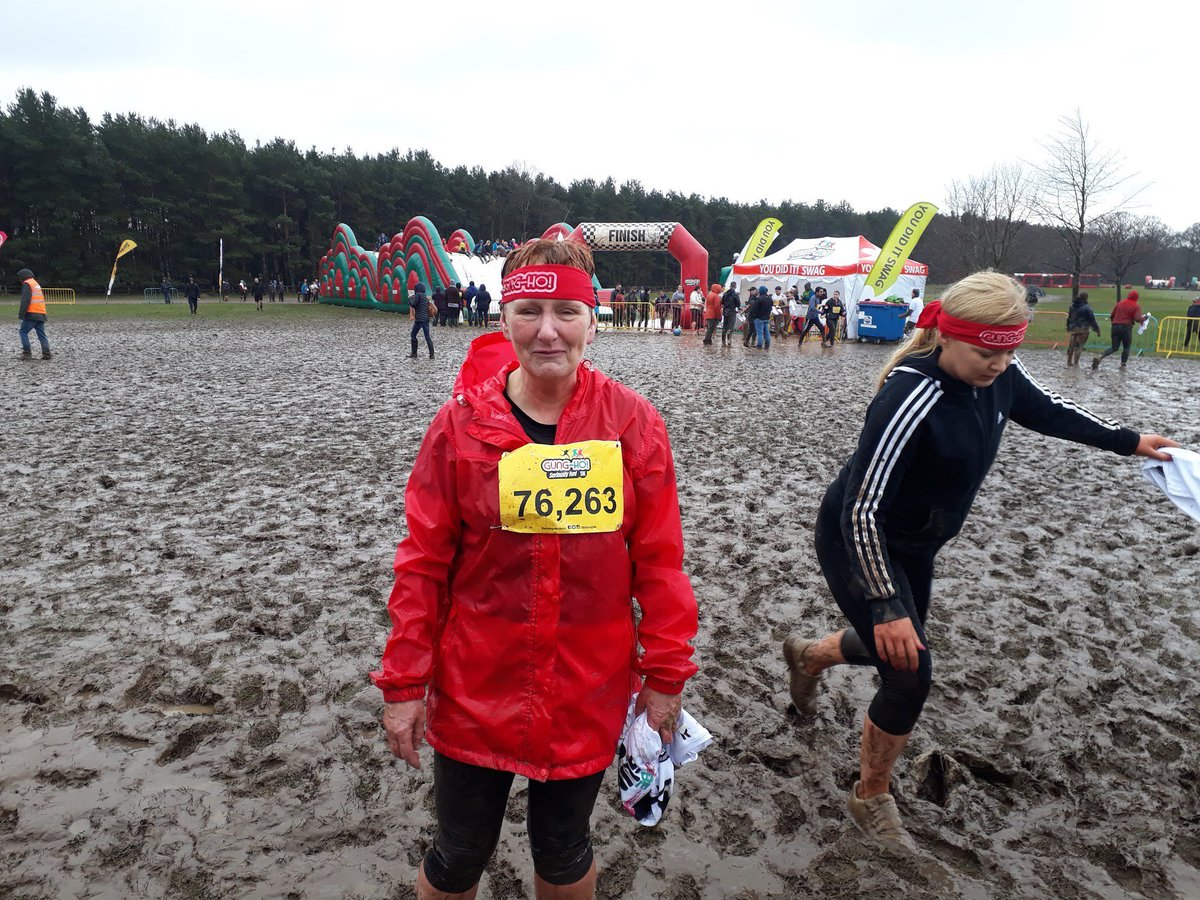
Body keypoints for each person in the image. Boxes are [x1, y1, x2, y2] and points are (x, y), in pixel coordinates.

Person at [779, 271, 1177, 851]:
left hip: (916, 544)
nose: (999, 364)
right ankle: (870, 796)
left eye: (1009, 350)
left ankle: (809, 655)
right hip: (861, 543)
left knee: (899, 642)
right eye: (986, 352)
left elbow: (1050, 410)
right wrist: (885, 600)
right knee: (910, 671)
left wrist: (1130, 438)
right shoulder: (911, 396)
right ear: (947, 337)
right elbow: (862, 509)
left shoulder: (1001, 372)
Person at [374, 238, 698, 898]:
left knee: (563, 847)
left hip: (588, 685)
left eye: (565, 312)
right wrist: (405, 683)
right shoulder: (459, 427)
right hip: (476, 686)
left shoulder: (633, 424)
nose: (547, 331)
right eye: (528, 311)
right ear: (504, 320)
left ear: (593, 319)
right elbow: (423, 566)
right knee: (459, 852)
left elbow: (660, 562)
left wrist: (666, 674)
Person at [1092, 289, 1148, 370]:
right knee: (1126, 347)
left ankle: (1100, 356)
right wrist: (1144, 318)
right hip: (1126, 328)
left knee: (1114, 347)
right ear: (1136, 298)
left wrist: (1115, 323)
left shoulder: (1120, 303)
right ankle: (1123, 364)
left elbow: (1112, 316)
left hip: (1115, 327)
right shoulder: (1136, 306)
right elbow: (1137, 319)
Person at [16, 267, 50, 359]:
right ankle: (47, 354)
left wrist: (21, 313)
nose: (19, 279)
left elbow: (25, 300)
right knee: (42, 335)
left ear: (23, 277)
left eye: (20, 277)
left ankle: (27, 353)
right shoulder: (35, 284)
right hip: (41, 313)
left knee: (23, 332)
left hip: (31, 313)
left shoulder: (27, 284)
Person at [1065, 291, 1101, 366]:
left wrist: (1068, 326)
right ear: (1086, 298)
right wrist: (1097, 330)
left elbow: (1069, 317)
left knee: (1071, 346)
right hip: (1083, 329)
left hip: (1073, 329)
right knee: (1079, 347)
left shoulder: (1072, 306)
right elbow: (1092, 320)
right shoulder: (1087, 308)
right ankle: (1076, 363)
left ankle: (1069, 362)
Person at [408, 282, 434, 359]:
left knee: (413, 335)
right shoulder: (425, 297)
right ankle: (432, 354)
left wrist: (409, 298)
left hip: (419, 319)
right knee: (427, 336)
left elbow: (413, 304)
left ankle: (414, 353)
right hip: (426, 319)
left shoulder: (418, 295)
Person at [720, 283, 740, 347]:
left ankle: (723, 342)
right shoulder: (735, 294)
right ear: (735, 287)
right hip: (732, 312)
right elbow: (738, 304)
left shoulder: (725, 294)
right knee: (730, 327)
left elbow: (722, 302)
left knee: (724, 327)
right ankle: (729, 341)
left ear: (730, 286)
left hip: (725, 311)